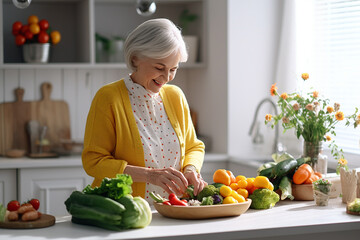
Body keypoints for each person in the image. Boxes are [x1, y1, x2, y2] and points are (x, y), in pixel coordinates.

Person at [82, 18, 207, 203]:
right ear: (135, 58)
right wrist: (150, 175)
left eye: (173, 69)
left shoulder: (176, 96)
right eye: (159, 67)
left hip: (173, 208)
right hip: (125, 211)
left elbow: (193, 146)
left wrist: (190, 170)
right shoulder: (108, 97)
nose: (166, 77)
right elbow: (94, 161)